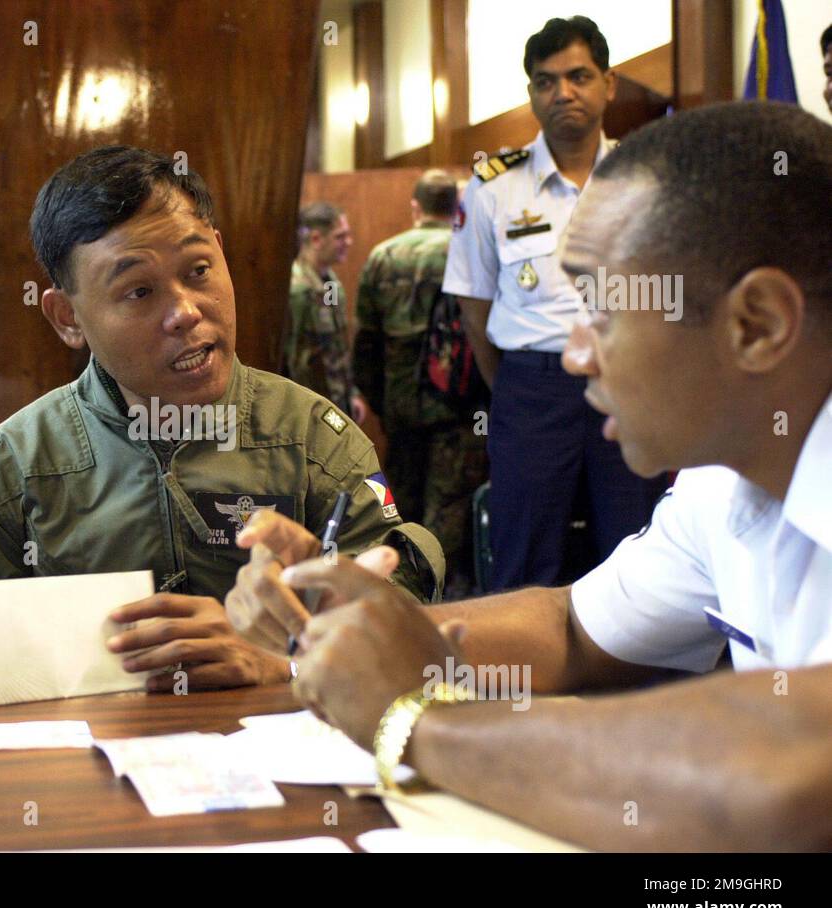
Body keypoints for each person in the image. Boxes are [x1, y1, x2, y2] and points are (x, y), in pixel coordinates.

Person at [228, 101, 832, 851]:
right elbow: (574, 629)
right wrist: (342, 631)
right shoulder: (723, 482)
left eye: (601, 309)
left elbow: (793, 774)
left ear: (759, 324)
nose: (575, 353)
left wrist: (418, 721)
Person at [0, 146, 443, 692]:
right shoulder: (5, 479)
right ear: (67, 317)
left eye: (198, 270)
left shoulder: (317, 440)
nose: (185, 312)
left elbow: (401, 625)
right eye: (139, 291)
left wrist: (286, 659)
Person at [443, 16, 666, 591]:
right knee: (522, 551)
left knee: (637, 547)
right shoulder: (493, 186)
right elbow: (474, 307)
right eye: (545, 81)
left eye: (578, 76)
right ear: (531, 94)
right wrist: (517, 385)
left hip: (630, 380)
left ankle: (644, 682)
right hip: (532, 389)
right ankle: (523, 679)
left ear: (609, 84)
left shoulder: (646, 179)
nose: (562, 93)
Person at [355, 170, 487, 596]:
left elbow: (366, 344)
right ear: (456, 207)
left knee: (399, 509)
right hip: (459, 408)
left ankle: (402, 600)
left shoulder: (383, 256)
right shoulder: (467, 251)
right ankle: (449, 606)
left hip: (400, 410)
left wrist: (381, 403)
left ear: (416, 207)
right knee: (450, 511)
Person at [283, 202, 365, 421]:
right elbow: (292, 361)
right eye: (340, 237)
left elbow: (338, 345)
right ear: (317, 239)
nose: (348, 243)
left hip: (337, 404)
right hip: (311, 411)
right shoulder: (297, 291)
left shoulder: (330, 283)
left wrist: (351, 395)